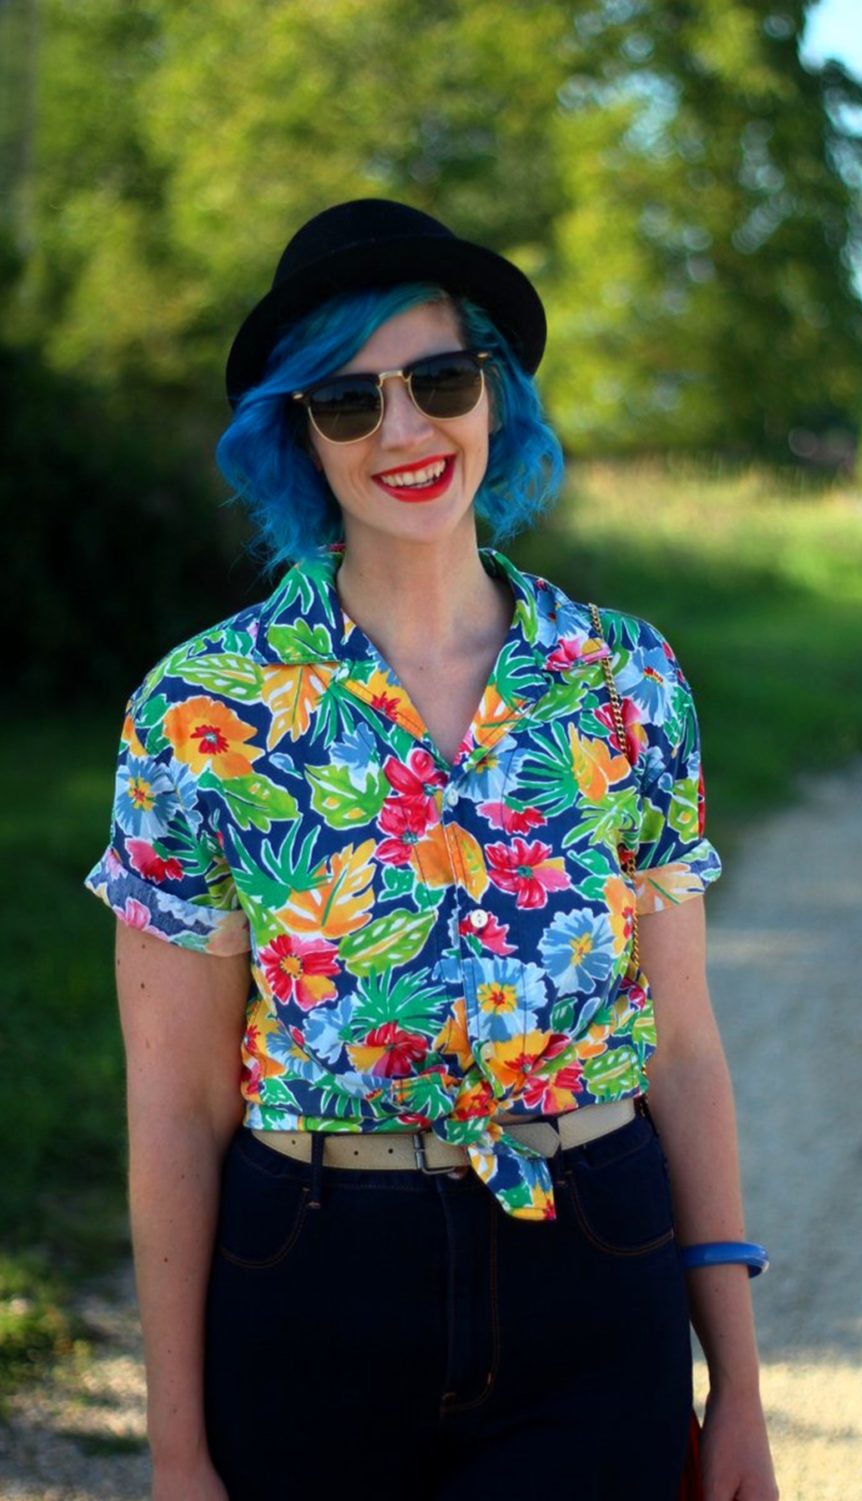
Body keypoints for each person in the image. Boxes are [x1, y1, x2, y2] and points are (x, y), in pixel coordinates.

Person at [85, 198, 779, 1501]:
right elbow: (176, 1106)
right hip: (312, 1281)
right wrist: (175, 1450)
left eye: (438, 380)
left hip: (594, 1263)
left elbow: (679, 1044)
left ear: (494, 398)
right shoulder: (202, 711)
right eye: (348, 401)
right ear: (298, 433)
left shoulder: (624, 680)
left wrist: (735, 1385)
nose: (403, 431)